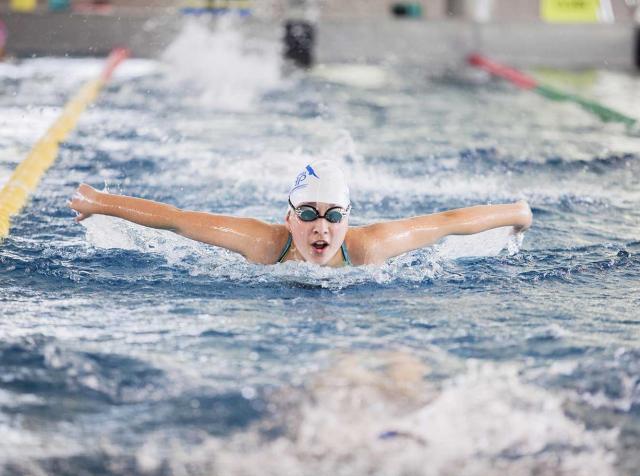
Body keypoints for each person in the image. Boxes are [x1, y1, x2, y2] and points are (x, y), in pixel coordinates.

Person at [69, 160, 532, 267]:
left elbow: (448, 222)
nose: (321, 226)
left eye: (334, 216)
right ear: (289, 218)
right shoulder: (264, 242)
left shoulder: (367, 247)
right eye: (308, 212)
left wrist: (516, 212)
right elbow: (176, 217)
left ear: (349, 221)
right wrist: (98, 202)